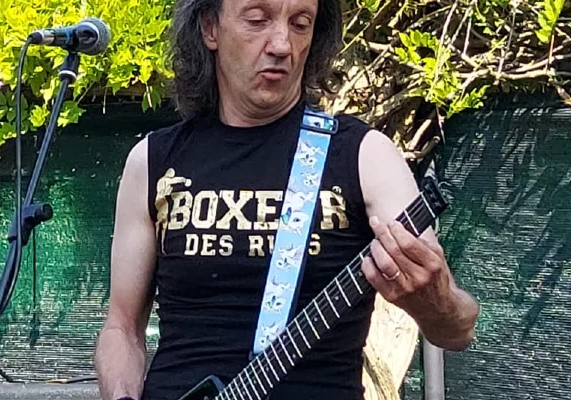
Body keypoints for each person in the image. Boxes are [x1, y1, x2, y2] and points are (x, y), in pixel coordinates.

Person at [94, 0, 481, 398]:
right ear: (210, 28)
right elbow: (122, 328)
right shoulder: (153, 160)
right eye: (257, 20)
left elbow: (457, 330)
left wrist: (437, 302)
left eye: (300, 24)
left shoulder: (366, 155)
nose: (282, 44)